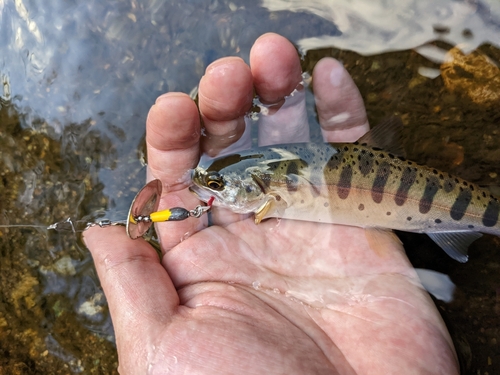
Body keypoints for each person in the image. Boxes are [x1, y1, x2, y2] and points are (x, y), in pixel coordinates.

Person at [84, 33, 459, 374]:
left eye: (216, 184)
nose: (209, 189)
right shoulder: (262, 191)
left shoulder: (263, 198)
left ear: (262, 190)